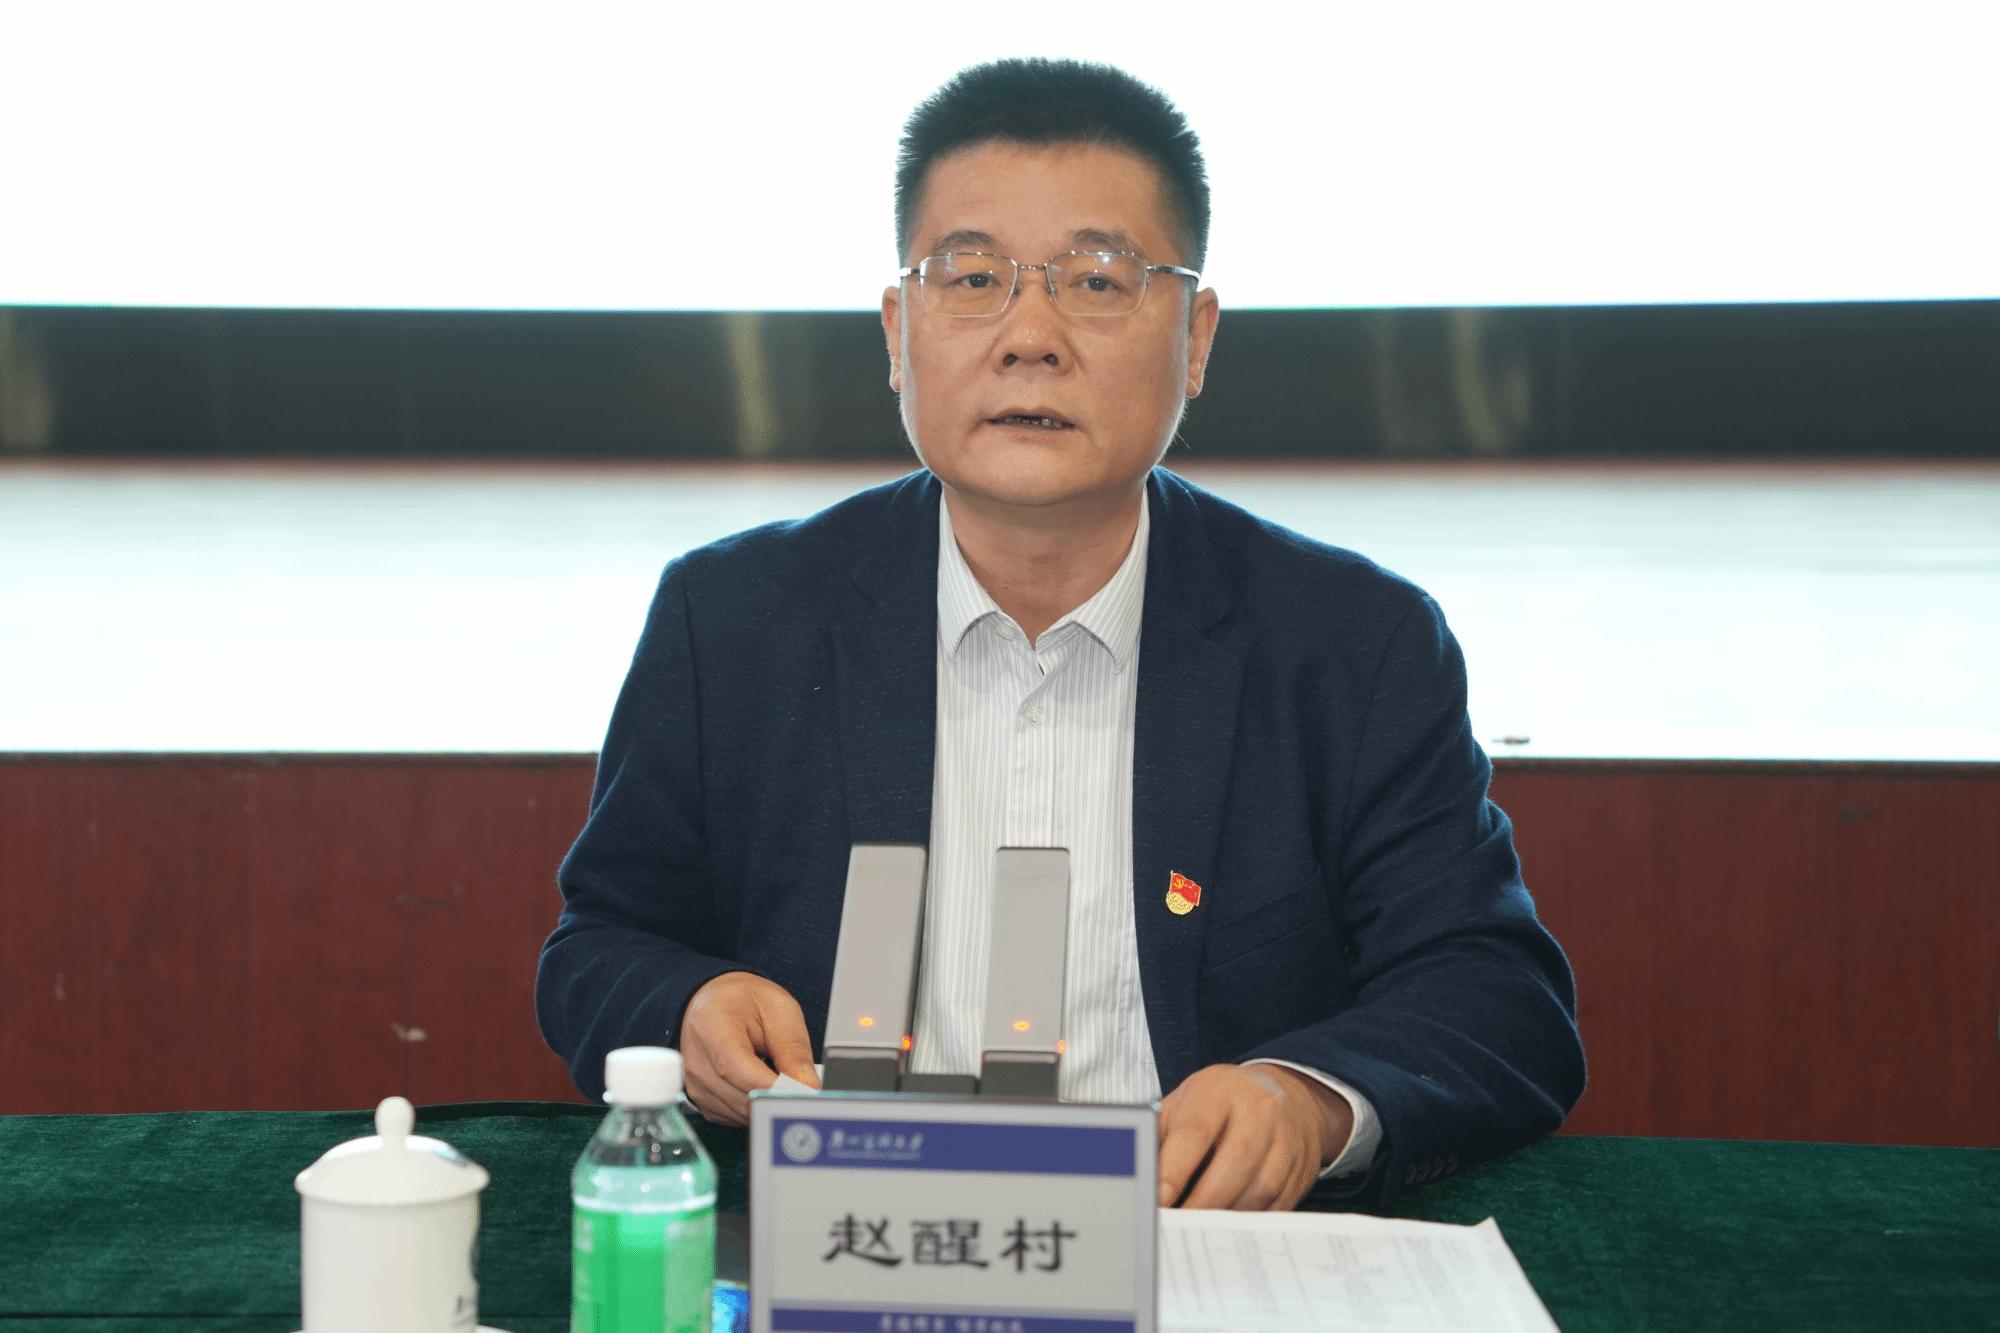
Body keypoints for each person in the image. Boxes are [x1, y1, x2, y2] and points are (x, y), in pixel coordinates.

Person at [537, 58, 1584, 1210]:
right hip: (852, 1235)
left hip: (1198, 1244)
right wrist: (685, 1009)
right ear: (897, 332)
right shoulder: (734, 622)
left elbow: (1494, 999)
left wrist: (1305, 1100)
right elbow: (601, 947)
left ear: (1194, 338)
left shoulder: (1350, 645)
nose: (1028, 335)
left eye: (1095, 280)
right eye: (971, 277)